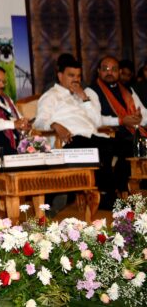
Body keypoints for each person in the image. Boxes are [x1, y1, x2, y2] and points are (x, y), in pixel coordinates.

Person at [34, 54, 115, 209]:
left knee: (125, 147)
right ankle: (105, 196)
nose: (76, 80)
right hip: (71, 141)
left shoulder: (81, 96)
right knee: (100, 146)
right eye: (71, 75)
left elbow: (97, 122)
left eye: (78, 76)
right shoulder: (51, 96)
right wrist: (54, 124)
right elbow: (39, 122)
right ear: (60, 76)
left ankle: (111, 194)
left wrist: (84, 97)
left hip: (92, 137)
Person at [86, 55, 145, 198]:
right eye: (105, 69)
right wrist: (120, 121)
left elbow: (143, 112)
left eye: (113, 69)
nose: (109, 72)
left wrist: (139, 118)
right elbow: (95, 120)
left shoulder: (128, 90)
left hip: (131, 133)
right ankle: (120, 189)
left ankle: (131, 188)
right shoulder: (92, 91)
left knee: (136, 144)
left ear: (119, 72)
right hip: (107, 135)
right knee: (130, 146)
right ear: (99, 71)